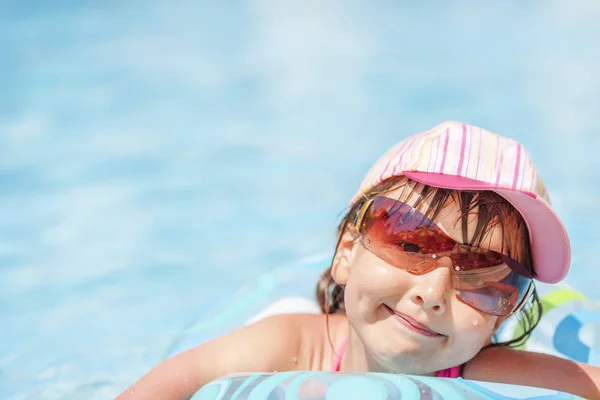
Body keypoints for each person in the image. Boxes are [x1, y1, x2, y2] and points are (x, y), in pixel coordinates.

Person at [116, 121, 600, 399]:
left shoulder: (483, 373)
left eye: (486, 275)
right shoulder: (293, 345)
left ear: (508, 312)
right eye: (411, 242)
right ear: (347, 253)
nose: (432, 294)